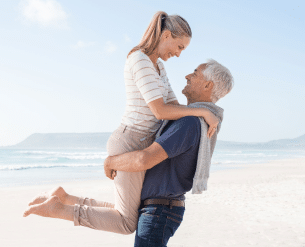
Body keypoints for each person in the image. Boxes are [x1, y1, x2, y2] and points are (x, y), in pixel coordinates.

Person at [23, 11, 219, 235]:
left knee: (125, 213)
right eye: (179, 46)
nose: (179, 53)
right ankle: (59, 209)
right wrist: (204, 111)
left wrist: (200, 112)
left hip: (142, 141)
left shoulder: (159, 67)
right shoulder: (139, 60)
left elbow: (174, 104)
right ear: (166, 36)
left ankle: (65, 198)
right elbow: (161, 110)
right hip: (129, 140)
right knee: (127, 223)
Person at [104, 60, 234, 246]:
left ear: (208, 85)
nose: (187, 76)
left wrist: (110, 162)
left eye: (195, 73)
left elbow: (144, 159)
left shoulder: (189, 122)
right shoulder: (196, 119)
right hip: (162, 209)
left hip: (159, 211)